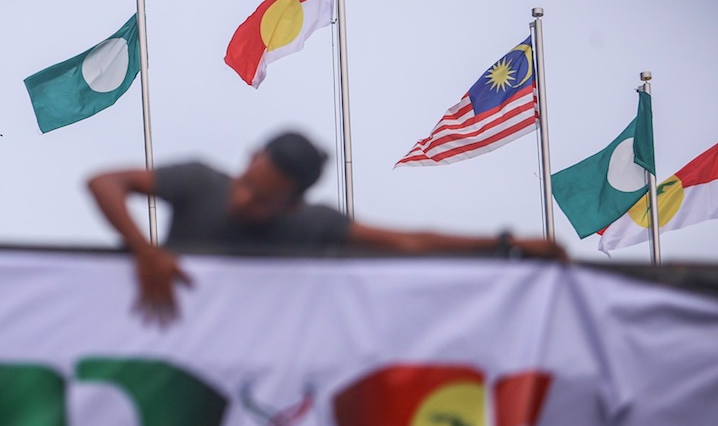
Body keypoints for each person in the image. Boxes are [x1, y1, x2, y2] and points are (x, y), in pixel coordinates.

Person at [88, 130, 566, 326]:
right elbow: (104, 181)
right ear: (250, 158)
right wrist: (144, 251)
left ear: (293, 207)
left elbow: (408, 241)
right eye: (247, 182)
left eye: (262, 199)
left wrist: (507, 242)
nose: (243, 199)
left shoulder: (311, 226)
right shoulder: (199, 182)